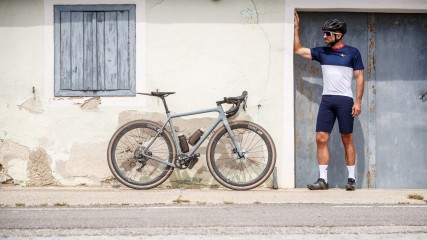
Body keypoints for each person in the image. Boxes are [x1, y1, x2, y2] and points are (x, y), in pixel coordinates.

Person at [293, 11, 365, 191]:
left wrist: (358, 101)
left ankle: (351, 180)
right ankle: (323, 180)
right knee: (320, 138)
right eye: (323, 33)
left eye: (328, 34)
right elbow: (298, 50)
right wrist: (296, 28)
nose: (324, 37)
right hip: (327, 100)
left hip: (345, 100)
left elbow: (360, 77)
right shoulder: (322, 52)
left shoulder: (352, 53)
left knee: (346, 138)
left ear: (338, 35)